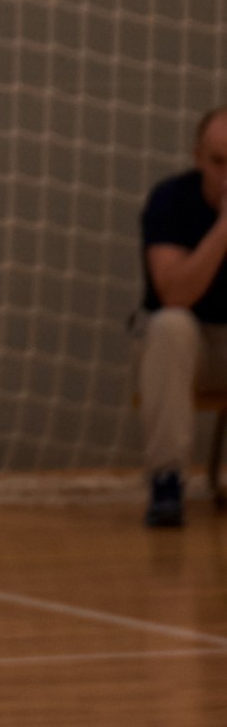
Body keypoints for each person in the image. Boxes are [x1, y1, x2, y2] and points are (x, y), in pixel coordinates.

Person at [137, 103, 227, 527]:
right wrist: (224, 228)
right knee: (170, 324)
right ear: (198, 158)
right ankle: (167, 481)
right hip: (187, 352)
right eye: (219, 162)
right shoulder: (170, 200)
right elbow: (175, 292)